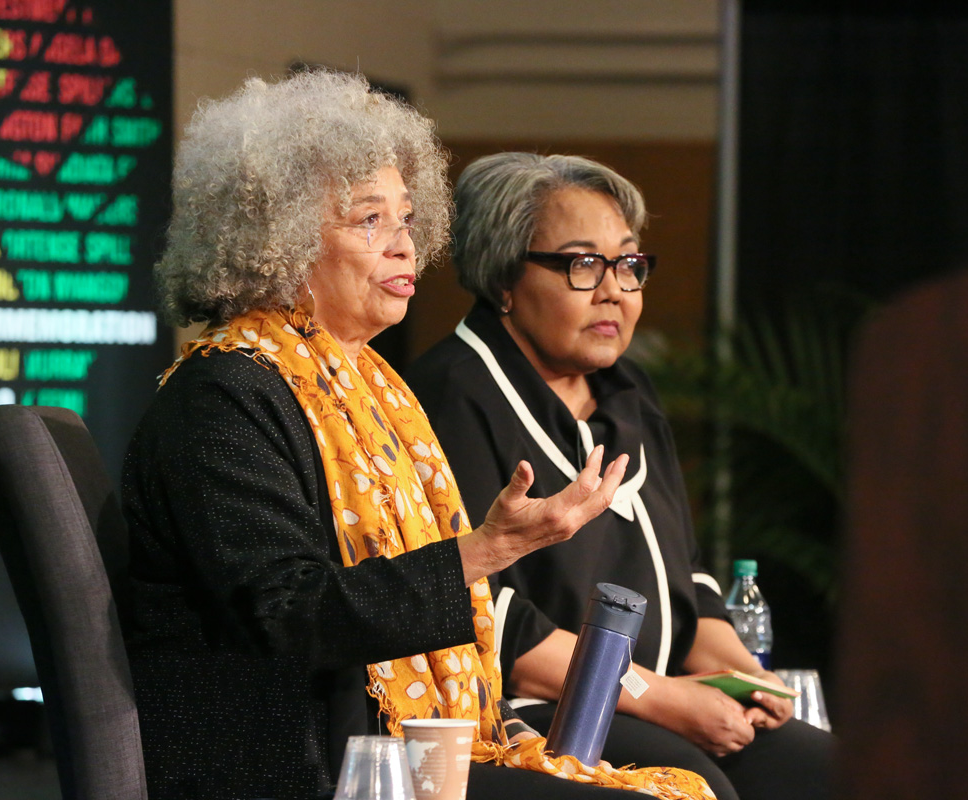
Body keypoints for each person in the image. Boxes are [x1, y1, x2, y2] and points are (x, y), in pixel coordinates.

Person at [122, 72, 717, 800]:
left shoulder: (374, 388)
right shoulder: (224, 398)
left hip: (385, 748)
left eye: (407, 219)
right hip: (296, 765)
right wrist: (490, 548)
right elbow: (289, 617)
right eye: (369, 221)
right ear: (275, 237)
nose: (406, 247)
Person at [405, 153, 836, 800]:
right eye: (583, 265)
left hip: (666, 697)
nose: (615, 290)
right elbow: (479, 610)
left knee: (838, 773)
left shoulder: (627, 387)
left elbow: (682, 573)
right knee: (696, 788)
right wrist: (659, 696)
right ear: (504, 278)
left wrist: (746, 677)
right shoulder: (453, 393)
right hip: (537, 712)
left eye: (630, 265)